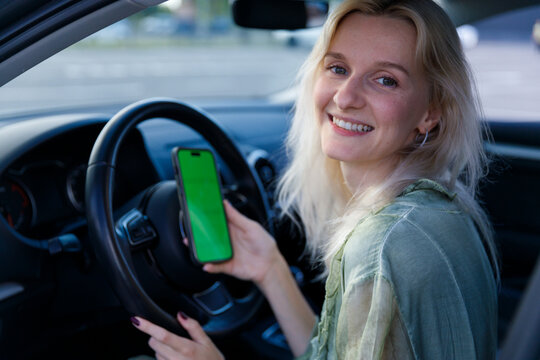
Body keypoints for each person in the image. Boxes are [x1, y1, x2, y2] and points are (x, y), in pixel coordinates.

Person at [130, 0, 499, 358]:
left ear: (430, 113)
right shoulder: (442, 211)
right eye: (338, 68)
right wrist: (270, 268)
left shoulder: (383, 245)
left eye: (386, 80)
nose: (346, 95)